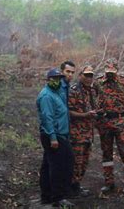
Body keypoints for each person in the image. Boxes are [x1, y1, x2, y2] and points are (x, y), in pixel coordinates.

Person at [95, 58, 124, 194]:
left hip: (120, 122)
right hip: (104, 123)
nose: (110, 74)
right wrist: (95, 118)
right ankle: (109, 183)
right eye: (107, 71)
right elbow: (90, 99)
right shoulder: (98, 82)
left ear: (117, 70)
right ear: (104, 70)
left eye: (112, 71)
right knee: (106, 154)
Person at [37, 68, 75, 207]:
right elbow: (47, 118)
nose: (56, 81)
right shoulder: (46, 96)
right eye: (54, 79)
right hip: (53, 135)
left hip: (60, 134)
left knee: (48, 165)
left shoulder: (57, 92)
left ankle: (46, 196)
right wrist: (53, 137)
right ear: (48, 80)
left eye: (59, 78)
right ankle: (58, 198)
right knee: (61, 165)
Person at [68, 65, 100, 198]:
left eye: (91, 75)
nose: (88, 78)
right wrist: (85, 115)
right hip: (76, 134)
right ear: (80, 75)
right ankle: (70, 188)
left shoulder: (91, 91)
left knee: (85, 161)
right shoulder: (73, 90)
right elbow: (69, 112)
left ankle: (77, 186)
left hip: (88, 133)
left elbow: (93, 108)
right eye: (86, 75)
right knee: (76, 162)